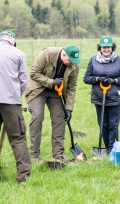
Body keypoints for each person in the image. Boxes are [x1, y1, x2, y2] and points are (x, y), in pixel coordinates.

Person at [24, 44, 80, 163]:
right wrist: (51, 82)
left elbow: (72, 87)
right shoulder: (47, 54)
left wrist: (69, 108)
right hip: (38, 90)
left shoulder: (74, 65)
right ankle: (34, 156)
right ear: (63, 54)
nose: (72, 63)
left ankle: (58, 155)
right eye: (70, 60)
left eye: (74, 61)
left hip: (56, 93)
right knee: (37, 117)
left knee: (59, 119)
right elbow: (33, 73)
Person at [84, 35, 120, 152]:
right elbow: (86, 78)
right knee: (103, 124)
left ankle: (112, 149)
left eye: (108, 47)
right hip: (99, 98)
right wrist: (98, 78)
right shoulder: (93, 60)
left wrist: (114, 81)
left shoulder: (119, 60)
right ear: (100, 48)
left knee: (113, 125)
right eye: (104, 47)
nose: (106, 49)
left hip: (114, 97)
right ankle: (107, 147)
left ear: (112, 48)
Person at [0, 30, 31, 183]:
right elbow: (24, 80)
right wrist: (14, 94)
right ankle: (23, 176)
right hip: (10, 102)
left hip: (9, 100)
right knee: (17, 138)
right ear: (12, 40)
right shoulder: (18, 53)